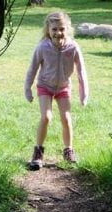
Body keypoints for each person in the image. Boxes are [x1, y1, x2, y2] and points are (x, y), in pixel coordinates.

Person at [24, 10, 89, 170]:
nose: (58, 33)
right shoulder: (42, 47)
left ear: (67, 29)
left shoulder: (73, 47)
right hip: (45, 85)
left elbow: (81, 71)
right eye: (54, 29)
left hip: (63, 87)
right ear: (48, 30)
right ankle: (38, 152)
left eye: (61, 29)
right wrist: (28, 88)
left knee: (66, 118)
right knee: (46, 117)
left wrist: (84, 93)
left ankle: (69, 150)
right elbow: (32, 68)